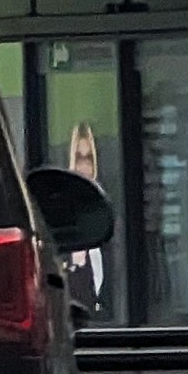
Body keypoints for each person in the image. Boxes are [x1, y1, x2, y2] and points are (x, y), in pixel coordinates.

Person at [64, 122, 106, 317]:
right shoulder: (65, 200)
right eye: (79, 157)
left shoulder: (103, 198)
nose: (84, 165)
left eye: (88, 157)